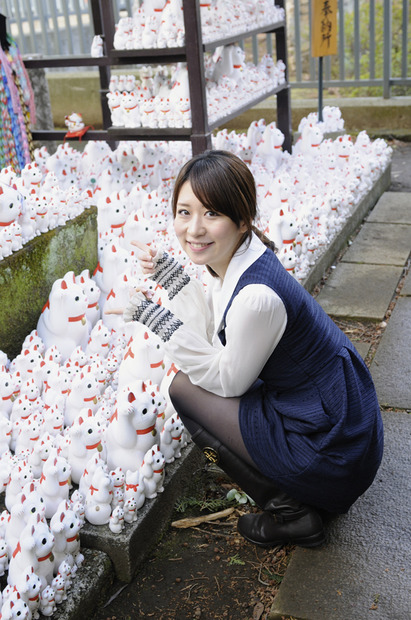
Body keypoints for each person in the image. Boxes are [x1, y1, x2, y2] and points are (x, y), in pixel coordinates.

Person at [120, 149, 384, 548]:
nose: (193, 229)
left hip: (332, 447)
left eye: (212, 214)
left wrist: (155, 320)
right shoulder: (240, 258)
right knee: (190, 386)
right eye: (184, 212)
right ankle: (290, 494)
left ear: (243, 219)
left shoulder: (256, 296)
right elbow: (216, 334)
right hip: (333, 417)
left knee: (183, 394)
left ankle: (291, 513)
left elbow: (227, 383)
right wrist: (171, 275)